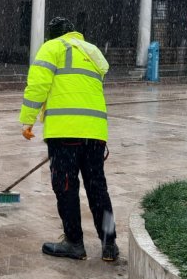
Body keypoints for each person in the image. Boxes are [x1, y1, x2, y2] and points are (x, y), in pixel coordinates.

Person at [19, 17, 119, 262]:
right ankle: (109, 244)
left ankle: (74, 242)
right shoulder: (93, 52)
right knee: (98, 189)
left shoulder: (52, 48)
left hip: (65, 132)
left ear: (53, 35)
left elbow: (38, 85)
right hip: (95, 132)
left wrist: (27, 119)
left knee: (66, 187)